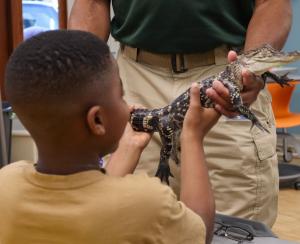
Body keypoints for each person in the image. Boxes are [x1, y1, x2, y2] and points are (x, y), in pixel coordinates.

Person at [68, 0, 292, 227]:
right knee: (130, 224)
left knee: (233, 226)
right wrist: (84, 80)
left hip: (223, 75)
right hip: (133, 79)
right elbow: (92, 4)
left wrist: (249, 70)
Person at [0, 29, 220, 243]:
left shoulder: (6, 184)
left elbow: (90, 201)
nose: (127, 106)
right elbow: (198, 231)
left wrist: (128, 148)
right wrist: (191, 136)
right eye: (121, 96)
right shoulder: (148, 203)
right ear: (97, 120)